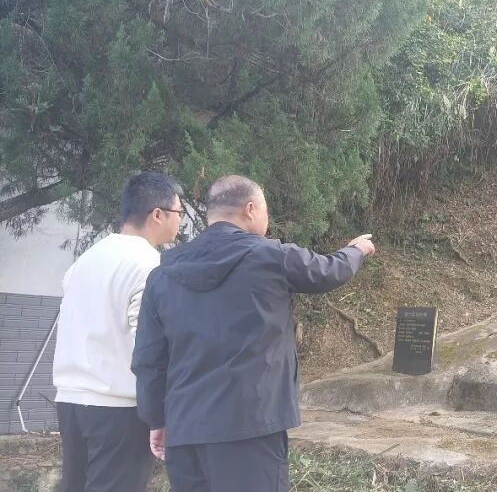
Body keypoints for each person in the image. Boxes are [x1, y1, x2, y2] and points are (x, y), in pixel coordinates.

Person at [132, 175, 375, 492]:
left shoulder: (162, 275)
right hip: (250, 427)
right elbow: (328, 271)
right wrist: (356, 251)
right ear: (250, 209)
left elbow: (149, 360)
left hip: (185, 429)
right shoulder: (269, 257)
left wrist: (156, 419)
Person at [53, 172, 184, 492]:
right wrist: (160, 412)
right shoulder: (149, 264)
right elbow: (150, 347)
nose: (180, 221)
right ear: (158, 214)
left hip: (70, 401)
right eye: (178, 213)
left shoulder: (85, 260)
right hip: (119, 408)